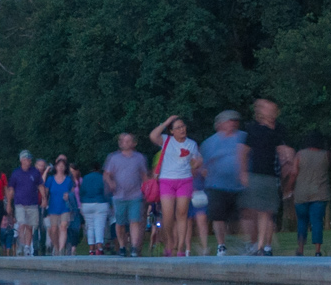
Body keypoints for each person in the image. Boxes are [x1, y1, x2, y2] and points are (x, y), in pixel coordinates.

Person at [240, 99, 293, 255]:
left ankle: (261, 246)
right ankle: (252, 242)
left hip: (270, 176)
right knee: (252, 211)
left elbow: (284, 150)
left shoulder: (278, 130)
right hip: (255, 174)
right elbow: (243, 151)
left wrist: (288, 161)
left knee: (266, 212)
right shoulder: (253, 129)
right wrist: (242, 172)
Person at [149, 115, 202, 257]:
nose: (182, 129)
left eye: (183, 126)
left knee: (182, 214)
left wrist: (197, 163)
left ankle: (180, 247)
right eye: (178, 127)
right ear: (171, 131)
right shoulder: (166, 140)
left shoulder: (191, 144)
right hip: (167, 180)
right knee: (167, 215)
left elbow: (196, 160)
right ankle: (170, 242)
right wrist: (165, 122)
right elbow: (153, 135)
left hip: (185, 180)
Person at [199, 110, 246, 255]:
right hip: (216, 185)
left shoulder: (243, 137)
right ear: (220, 124)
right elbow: (202, 166)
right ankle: (221, 245)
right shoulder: (210, 142)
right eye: (229, 121)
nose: (233, 123)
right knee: (218, 216)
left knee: (240, 217)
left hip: (238, 185)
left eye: (235, 120)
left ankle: (242, 243)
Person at [103, 133, 149, 256]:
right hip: (119, 195)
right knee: (120, 223)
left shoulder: (139, 158)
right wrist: (110, 182)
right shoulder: (114, 158)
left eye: (129, 141)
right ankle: (122, 246)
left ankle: (134, 247)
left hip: (135, 195)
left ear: (134, 143)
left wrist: (146, 189)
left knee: (135, 221)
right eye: (124, 141)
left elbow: (144, 175)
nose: (126, 143)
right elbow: (106, 174)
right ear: (120, 143)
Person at [290, 131, 331, 256]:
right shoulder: (326, 155)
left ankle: (301, 249)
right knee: (317, 221)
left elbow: (293, 173)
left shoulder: (300, 155)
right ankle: (317, 251)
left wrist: (289, 187)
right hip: (319, 193)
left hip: (301, 194)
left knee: (302, 222)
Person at [6, 150, 44, 255]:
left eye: (30, 159)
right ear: (22, 160)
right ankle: (22, 244)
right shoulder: (16, 173)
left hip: (32, 203)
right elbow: (11, 189)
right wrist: (9, 203)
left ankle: (27, 246)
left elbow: (40, 185)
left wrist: (44, 198)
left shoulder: (35, 172)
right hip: (20, 204)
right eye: (27, 159)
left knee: (29, 226)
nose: (29, 161)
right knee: (21, 224)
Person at [43, 156, 76, 255]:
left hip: (65, 207)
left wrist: (69, 196)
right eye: (59, 166)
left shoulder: (68, 180)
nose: (61, 167)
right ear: (56, 167)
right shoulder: (50, 179)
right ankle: (56, 247)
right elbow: (45, 191)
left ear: (65, 168)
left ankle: (61, 249)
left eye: (63, 166)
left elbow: (74, 193)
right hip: (53, 207)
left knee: (63, 226)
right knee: (53, 229)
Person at [77, 159, 111, 254]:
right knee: (99, 226)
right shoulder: (102, 177)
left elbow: (81, 192)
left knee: (90, 226)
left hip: (87, 204)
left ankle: (91, 248)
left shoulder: (85, 178)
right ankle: (99, 248)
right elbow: (107, 191)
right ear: (99, 168)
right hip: (100, 203)